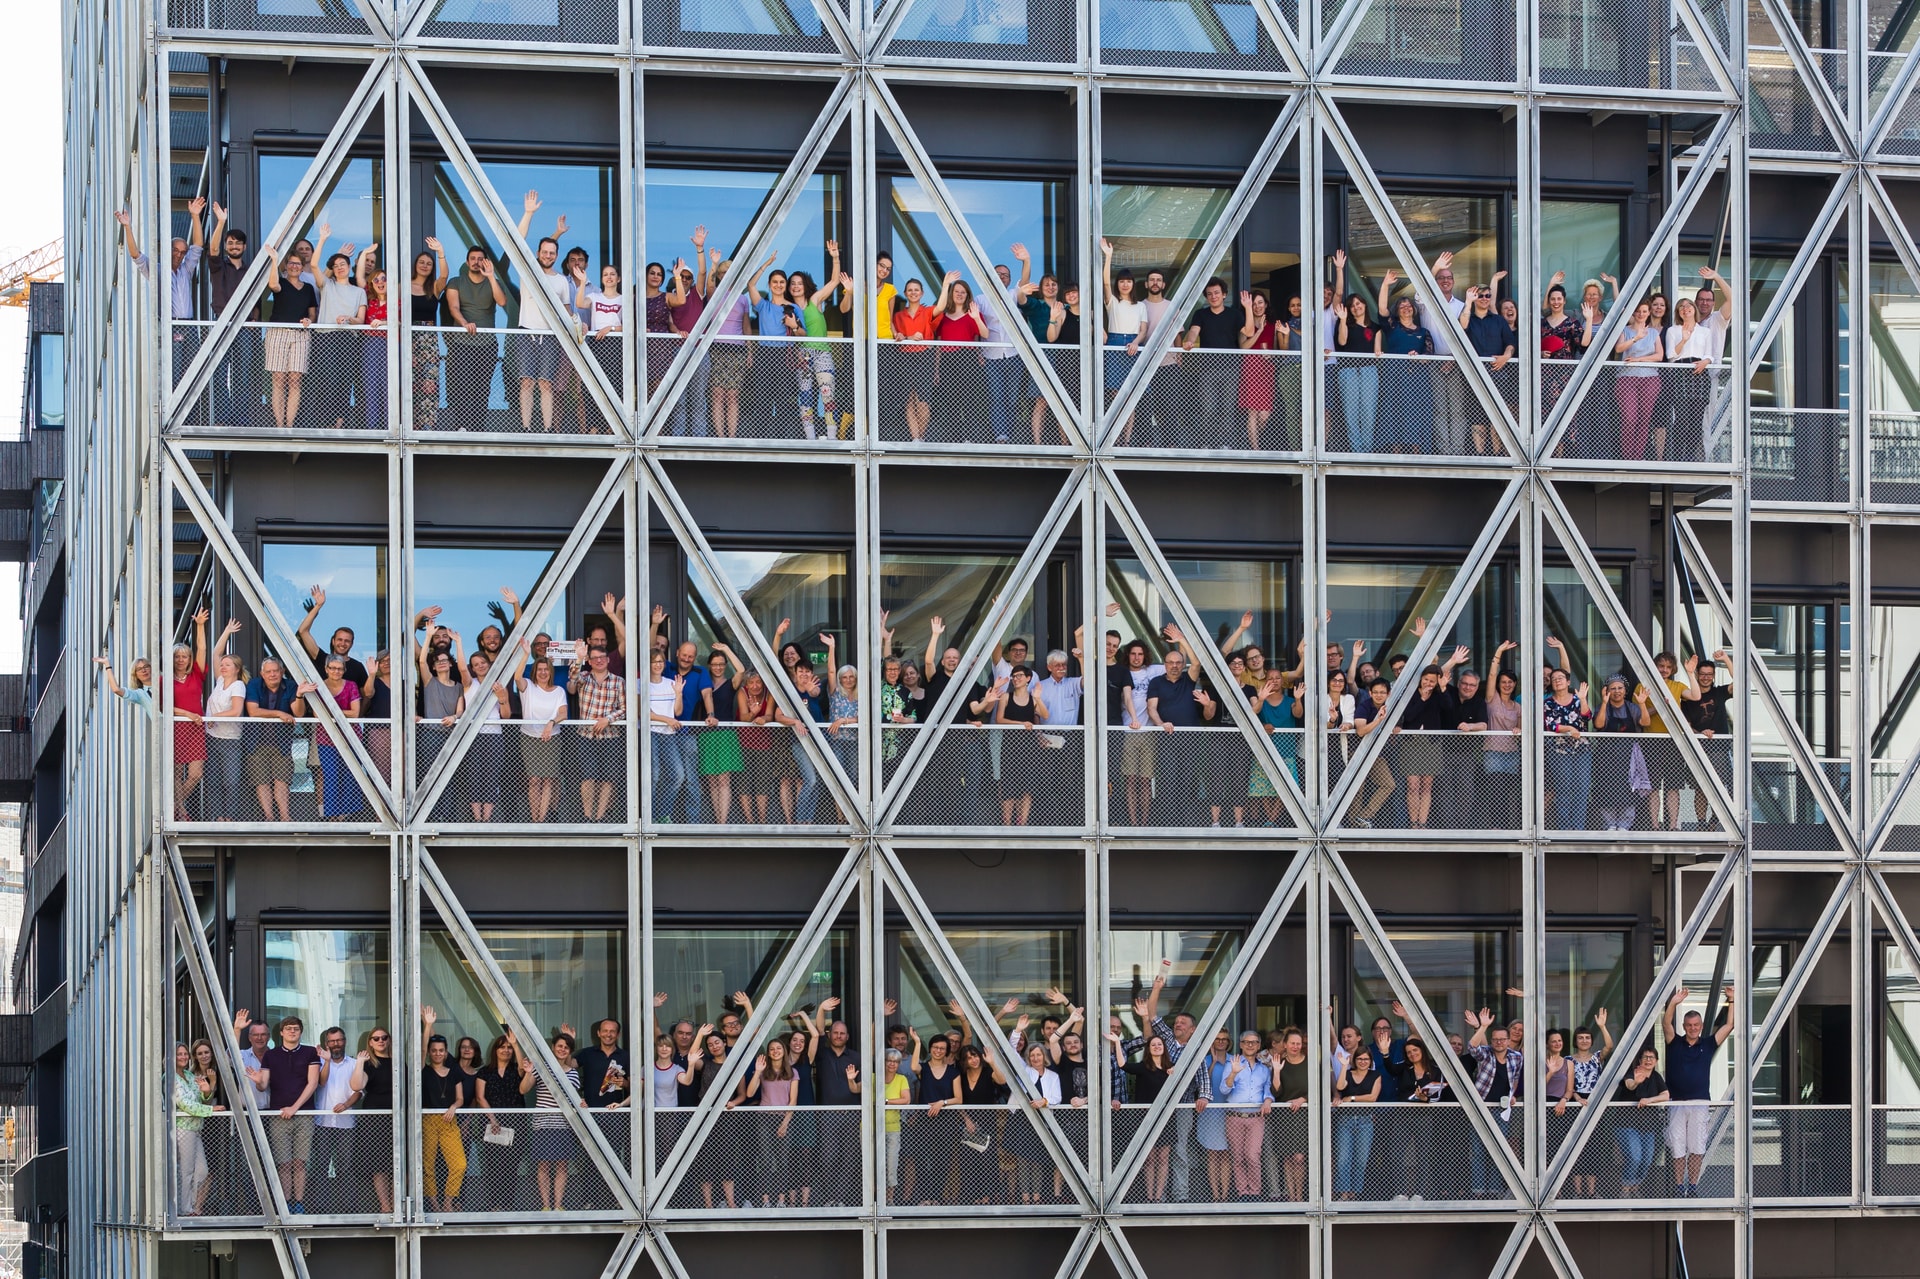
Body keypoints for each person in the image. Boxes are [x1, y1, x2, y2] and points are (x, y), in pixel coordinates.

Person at [1664, 985, 1734, 1196]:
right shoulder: (1674, 1043)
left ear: (1701, 1026)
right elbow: (1666, 1023)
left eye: (1696, 1025)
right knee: (1677, 1146)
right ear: (1684, 1026)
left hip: (1700, 1103)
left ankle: (1693, 1186)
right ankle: (1678, 1187)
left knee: (1697, 1147)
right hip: (1677, 1102)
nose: (1693, 1028)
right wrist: (1674, 1002)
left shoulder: (1708, 1043)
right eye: (1689, 1025)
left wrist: (1732, 1000)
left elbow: (1729, 1025)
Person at [443, 244, 510, 430]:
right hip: (461, 344)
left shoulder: (492, 282)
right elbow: (453, 307)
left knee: (482, 389)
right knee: (462, 387)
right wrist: (464, 323)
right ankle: (462, 426)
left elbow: (502, 301)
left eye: (480, 259)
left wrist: (491, 276)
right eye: (472, 258)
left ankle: (478, 428)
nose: (476, 262)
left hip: (487, 345)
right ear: (467, 261)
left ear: (485, 261)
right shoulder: (456, 282)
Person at [1177, 277, 1248, 447]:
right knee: (1208, 409)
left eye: (1216, 293)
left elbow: (1249, 331)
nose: (1213, 296)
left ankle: (1225, 445)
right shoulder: (1201, 314)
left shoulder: (1234, 314)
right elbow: (1194, 331)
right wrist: (1190, 341)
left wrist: (1248, 309)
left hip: (1231, 369)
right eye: (1209, 294)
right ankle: (1206, 444)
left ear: (1224, 295)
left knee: (1227, 410)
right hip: (1207, 369)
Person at [520, 1028, 582, 1211]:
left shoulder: (572, 1072)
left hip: (564, 1124)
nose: (563, 1049)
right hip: (543, 1123)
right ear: (552, 1047)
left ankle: (558, 1205)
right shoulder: (540, 1069)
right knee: (544, 1165)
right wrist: (529, 1072)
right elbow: (523, 1090)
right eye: (560, 1046)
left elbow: (574, 1098)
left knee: (562, 1166)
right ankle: (546, 1206)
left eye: (567, 1047)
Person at [1464, 1007, 1522, 1198]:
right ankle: (1479, 1190)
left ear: (1508, 1040)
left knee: (1499, 1151)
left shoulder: (1516, 1057)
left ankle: (1496, 1190)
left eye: (1502, 1039)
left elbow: (1514, 1079)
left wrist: (1513, 1094)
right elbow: (1472, 1047)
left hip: (1502, 1109)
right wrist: (1482, 1027)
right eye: (1495, 1039)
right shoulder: (1485, 1053)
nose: (1498, 1042)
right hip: (1482, 1108)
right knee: (1479, 1150)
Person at [1375, 283, 1437, 454]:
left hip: (1417, 378)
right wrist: (1385, 284)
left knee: (1416, 410)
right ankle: (1396, 449)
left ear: (1414, 309)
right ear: (1397, 311)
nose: (1406, 308)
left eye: (1408, 305)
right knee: (1394, 409)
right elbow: (1381, 308)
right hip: (1394, 376)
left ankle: (1417, 449)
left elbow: (1430, 355)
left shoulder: (1424, 332)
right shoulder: (1392, 326)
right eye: (1402, 306)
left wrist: (1419, 357)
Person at [245, 658, 307, 822]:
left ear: (282, 672)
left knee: (282, 780)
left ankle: (285, 818)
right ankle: (269, 818)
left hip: (282, 743)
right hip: (256, 742)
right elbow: (253, 711)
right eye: (268, 671)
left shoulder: (291, 686)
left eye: (276, 671)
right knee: (261, 781)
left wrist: (299, 695)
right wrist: (279, 714)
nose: (272, 674)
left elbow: (299, 713)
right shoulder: (254, 684)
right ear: (262, 674)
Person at [570, 642, 626, 823]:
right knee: (588, 777)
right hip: (586, 736)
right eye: (594, 658)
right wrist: (578, 658)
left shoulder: (619, 682)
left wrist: (607, 719)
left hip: (610, 737)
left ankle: (600, 817)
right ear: (590, 661)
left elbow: (625, 709)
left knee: (608, 778)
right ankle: (588, 816)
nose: (599, 661)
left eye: (602, 658)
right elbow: (572, 683)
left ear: (608, 660)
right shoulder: (584, 677)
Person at [1458, 280, 1516, 454]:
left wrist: (1506, 356)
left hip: (1498, 375)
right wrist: (1468, 302)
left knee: (1497, 419)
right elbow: (1461, 327)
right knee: (1478, 419)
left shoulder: (1499, 320)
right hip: (1474, 376)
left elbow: (1511, 343)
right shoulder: (1468, 317)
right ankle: (1481, 456)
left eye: (1487, 296)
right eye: (1480, 295)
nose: (1484, 298)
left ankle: (1498, 456)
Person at [1543, 636, 1594, 830]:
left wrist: (1582, 699)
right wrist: (1569, 729)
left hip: (1582, 749)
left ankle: (1578, 829)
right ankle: (1564, 829)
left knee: (1581, 789)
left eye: (1560, 678)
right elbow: (1549, 725)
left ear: (1568, 681)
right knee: (1563, 789)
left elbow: (1587, 717)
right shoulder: (1547, 702)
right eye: (1554, 679)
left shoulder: (1577, 698)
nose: (1557, 681)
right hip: (1559, 750)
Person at [306, 1026, 359, 1214]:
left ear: (345, 1041)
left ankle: (348, 1207)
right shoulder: (318, 1062)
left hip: (346, 1123)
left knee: (345, 1166)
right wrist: (327, 1061)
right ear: (326, 1043)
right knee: (320, 1165)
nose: (336, 1044)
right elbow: (321, 1082)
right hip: (322, 1122)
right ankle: (321, 1206)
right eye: (332, 1041)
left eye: (339, 1040)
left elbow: (358, 1092)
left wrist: (345, 1105)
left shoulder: (353, 1064)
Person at [513, 652, 570, 823]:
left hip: (552, 738)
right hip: (529, 737)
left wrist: (551, 723)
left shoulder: (558, 691)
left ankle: (542, 819)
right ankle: (534, 818)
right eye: (539, 669)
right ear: (534, 672)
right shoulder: (528, 686)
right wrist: (524, 654)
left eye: (546, 669)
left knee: (548, 779)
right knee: (534, 779)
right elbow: (517, 676)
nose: (543, 672)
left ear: (551, 672)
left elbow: (563, 713)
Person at [1101, 241, 1148, 445]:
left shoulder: (1140, 305)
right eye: (1122, 281)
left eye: (1129, 281)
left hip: (1133, 346)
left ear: (1133, 284)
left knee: (1129, 397)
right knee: (1115, 394)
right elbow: (1104, 282)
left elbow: (1144, 330)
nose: (1125, 284)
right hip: (1114, 342)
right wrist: (1108, 256)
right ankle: (1115, 437)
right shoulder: (1112, 301)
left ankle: (1126, 440)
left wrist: (1136, 343)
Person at [1681, 651, 1735, 826]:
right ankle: (1702, 822)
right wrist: (1699, 733)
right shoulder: (1688, 696)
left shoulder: (1719, 693)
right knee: (1701, 788)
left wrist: (1726, 659)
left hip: (1719, 748)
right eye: (1702, 674)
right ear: (1697, 674)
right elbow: (1686, 724)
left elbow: (1741, 683)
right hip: (1698, 747)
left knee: (1720, 787)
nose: (1705, 678)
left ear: (1713, 676)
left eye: (1709, 675)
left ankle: (1716, 819)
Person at [667, 230, 712, 436]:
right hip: (677, 350)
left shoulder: (696, 293)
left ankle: (698, 438)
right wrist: (677, 331)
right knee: (679, 398)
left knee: (698, 397)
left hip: (698, 351)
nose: (685, 280)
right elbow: (667, 321)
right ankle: (677, 437)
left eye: (688, 277)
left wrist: (700, 249)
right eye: (682, 276)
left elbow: (703, 272)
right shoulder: (670, 296)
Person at [172, 1042, 223, 1215]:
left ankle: (192, 1206)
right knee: (186, 1171)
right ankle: (184, 1209)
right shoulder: (170, 1077)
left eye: (185, 1054)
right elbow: (184, 1104)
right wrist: (210, 1109)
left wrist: (207, 1091)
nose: (183, 1057)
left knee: (202, 1171)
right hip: (182, 1129)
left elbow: (199, 1100)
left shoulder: (188, 1074)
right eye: (179, 1054)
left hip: (196, 1129)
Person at [1611, 298, 1664, 460]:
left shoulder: (1654, 333)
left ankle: (1637, 458)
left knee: (1644, 419)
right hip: (1626, 378)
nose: (1641, 314)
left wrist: (1639, 360)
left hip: (1650, 379)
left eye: (1644, 311)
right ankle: (1628, 458)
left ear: (1649, 313)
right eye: (1638, 311)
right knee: (1629, 418)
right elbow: (1619, 348)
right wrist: (1636, 338)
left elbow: (1659, 356)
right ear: (1633, 313)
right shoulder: (1625, 330)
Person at [1615, 1046, 1671, 1196]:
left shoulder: (1656, 1077)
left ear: (1656, 1061)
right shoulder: (1632, 1073)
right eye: (1645, 1057)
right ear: (1639, 1060)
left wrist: (1649, 1100)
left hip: (1648, 1127)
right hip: (1626, 1125)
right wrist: (1636, 1082)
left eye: (1651, 1058)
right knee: (1635, 1157)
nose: (1648, 1060)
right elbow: (1629, 1085)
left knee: (1646, 1160)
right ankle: (1625, 1191)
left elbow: (1665, 1095)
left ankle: (1635, 1189)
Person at [409, 239, 450, 429]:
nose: (425, 266)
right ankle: (408, 424)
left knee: (429, 382)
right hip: (407, 337)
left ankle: (427, 426)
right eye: (421, 262)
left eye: (429, 263)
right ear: (415, 265)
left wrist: (440, 251)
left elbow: (445, 276)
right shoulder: (403, 285)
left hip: (429, 339)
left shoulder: (433, 287)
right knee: (409, 381)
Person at [1331, 1046, 1380, 1201]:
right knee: (1343, 1158)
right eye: (1359, 1059)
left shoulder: (1375, 1075)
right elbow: (1339, 1086)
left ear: (1370, 1061)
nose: (1363, 1062)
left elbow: (1372, 1097)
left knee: (1361, 1159)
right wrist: (1344, 1066)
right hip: (1345, 1120)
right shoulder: (1349, 1073)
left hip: (1365, 1121)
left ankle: (1355, 1193)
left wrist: (1351, 1098)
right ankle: (1344, 1194)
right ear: (1355, 1060)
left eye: (1366, 1059)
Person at [576, 1019, 631, 1110]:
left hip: (616, 1112)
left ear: (618, 1035)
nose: (608, 1034)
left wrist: (625, 1084)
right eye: (605, 1031)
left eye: (612, 1031)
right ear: (598, 1033)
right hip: (589, 1111)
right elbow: (567, 1066)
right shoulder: (587, 1053)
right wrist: (568, 1039)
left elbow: (636, 1090)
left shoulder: (626, 1056)